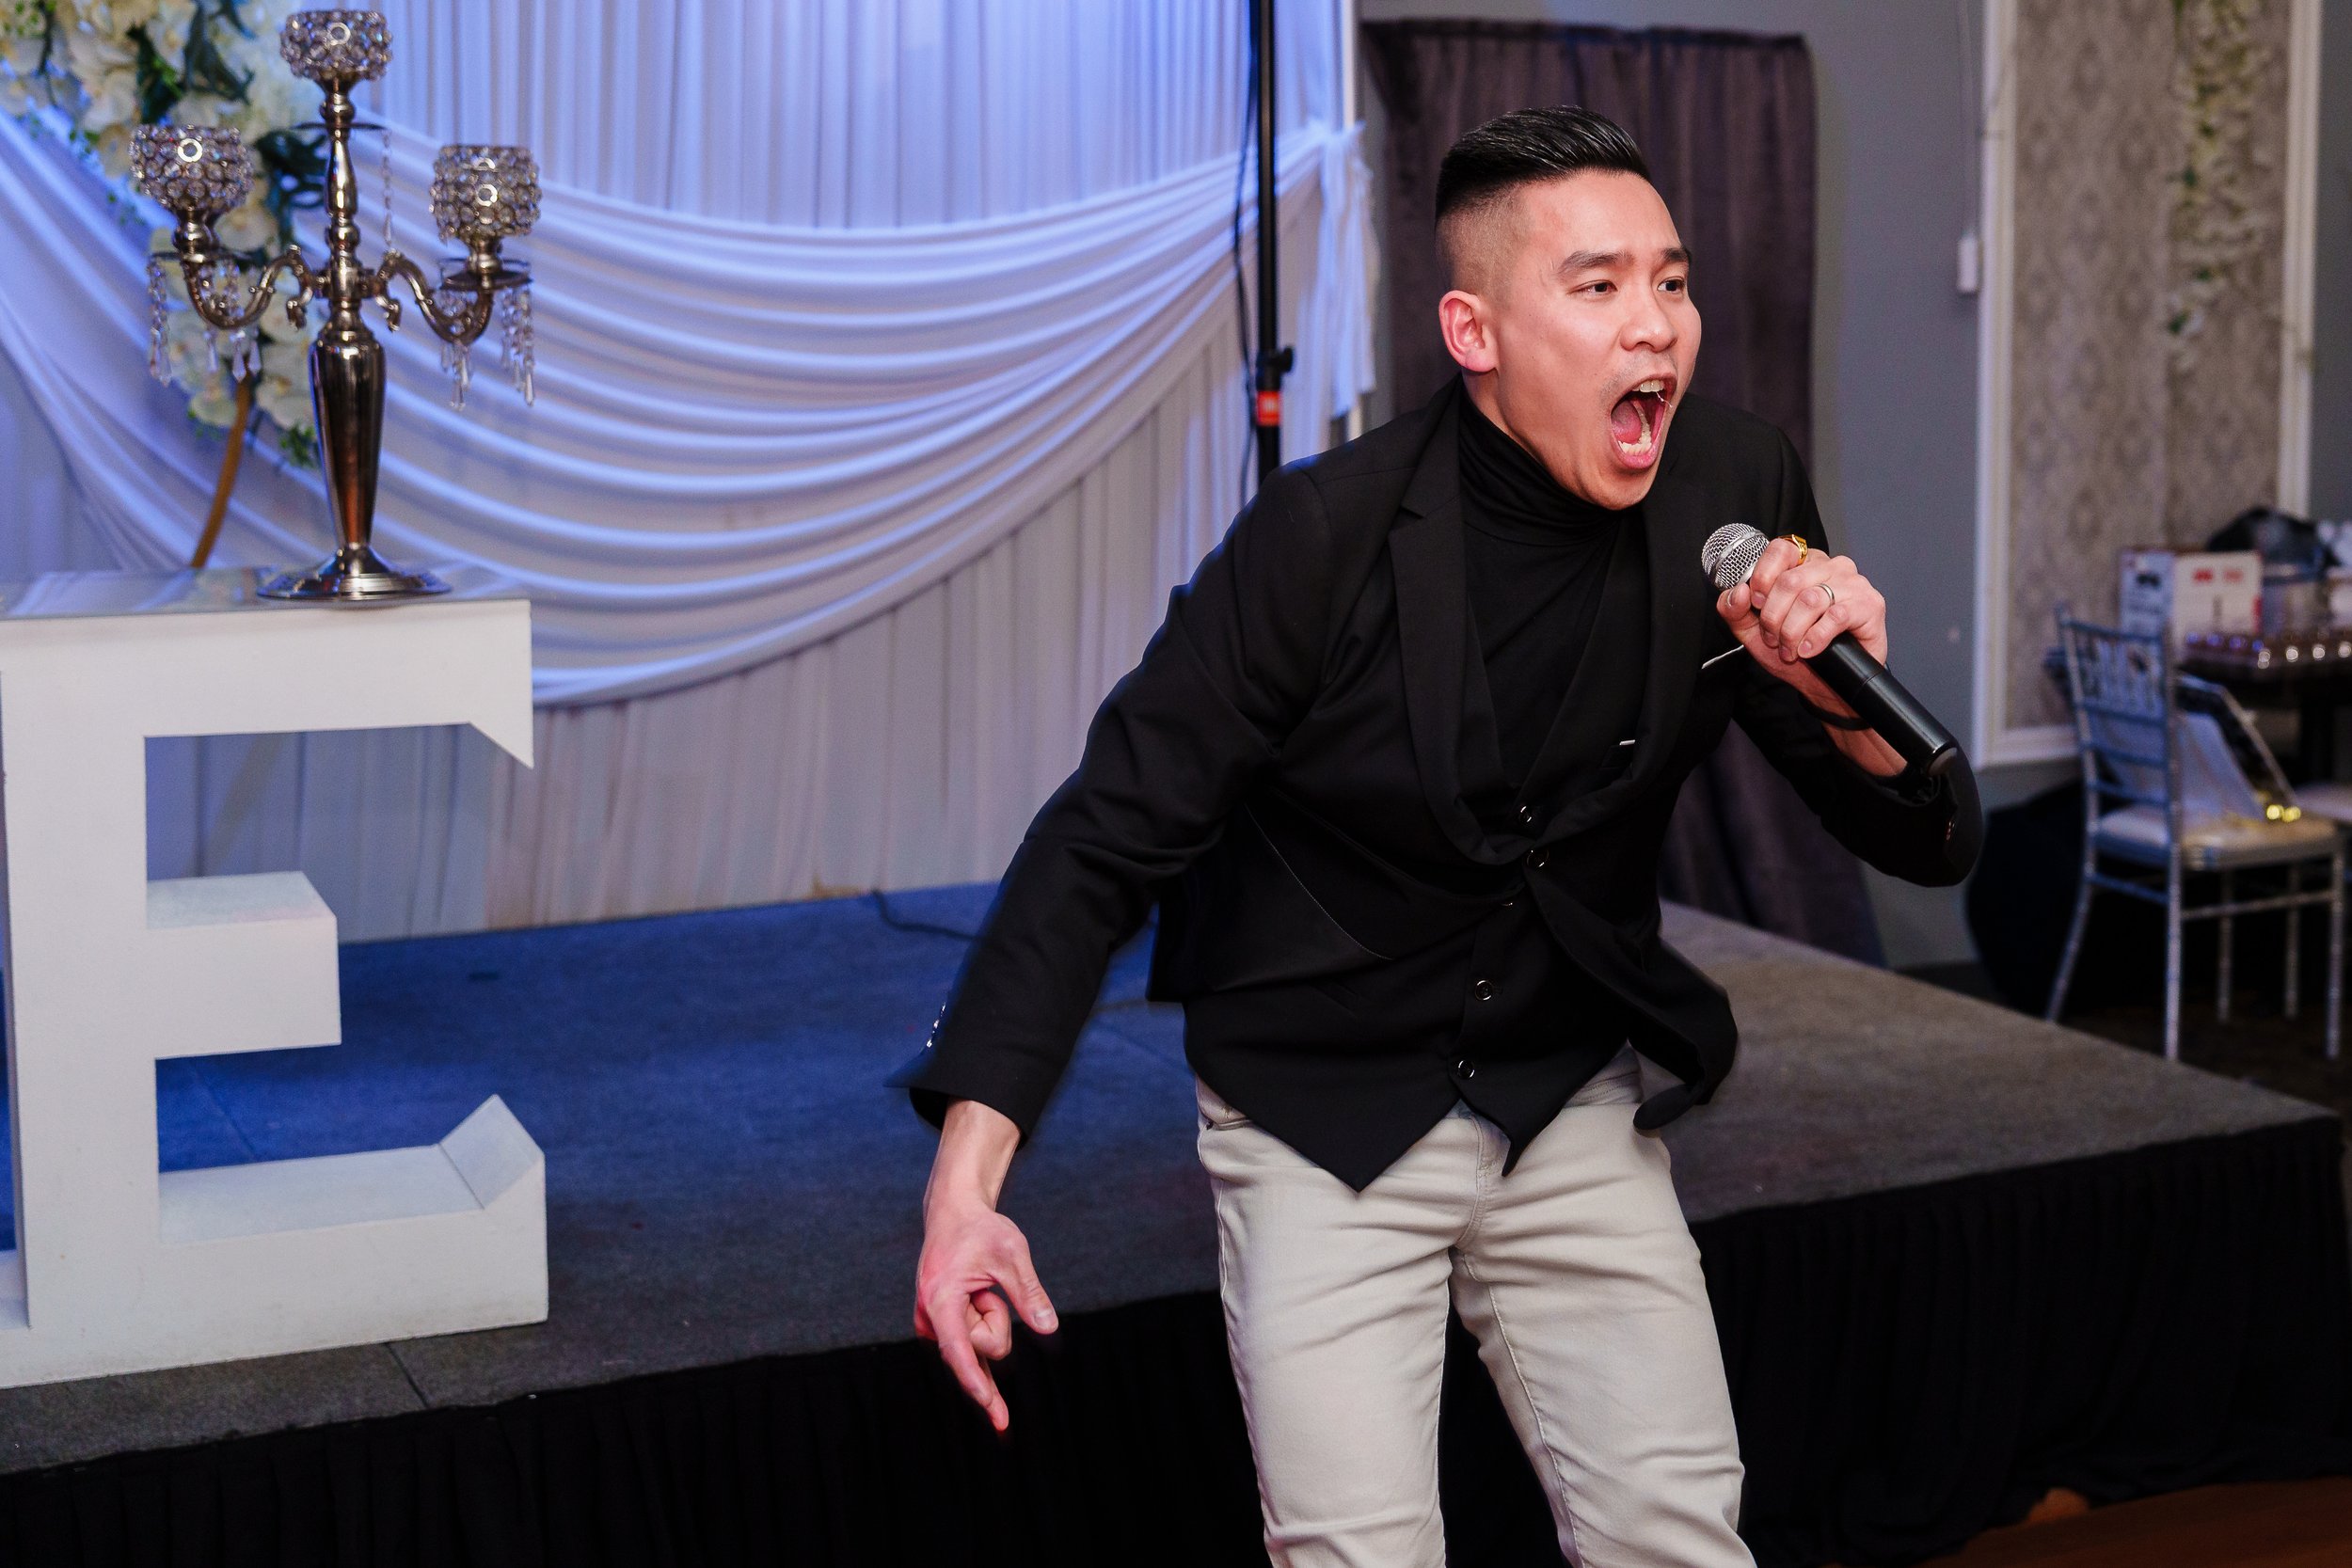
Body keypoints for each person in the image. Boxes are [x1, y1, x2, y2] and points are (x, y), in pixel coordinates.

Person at [894, 105, 1981, 1568]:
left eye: (1670, 280)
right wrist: (966, 1192)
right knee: (1360, 1552)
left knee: (1680, 1534)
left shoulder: (1732, 491)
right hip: (1319, 1106)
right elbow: (1105, 839)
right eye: (1596, 287)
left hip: (1563, 1085)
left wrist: (1839, 701)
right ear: (1474, 330)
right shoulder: (1322, 539)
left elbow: (1928, 834)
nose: (1652, 326)